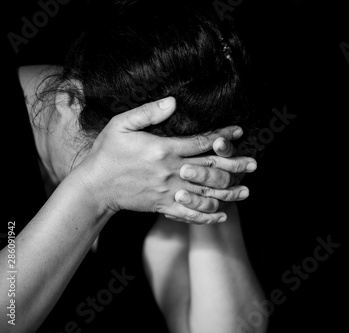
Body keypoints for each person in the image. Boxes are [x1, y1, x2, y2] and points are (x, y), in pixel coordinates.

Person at [2, 1, 266, 332]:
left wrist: (211, 191)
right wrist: (96, 189)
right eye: (130, 169)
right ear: (70, 99)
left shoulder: (161, 170)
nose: (154, 182)